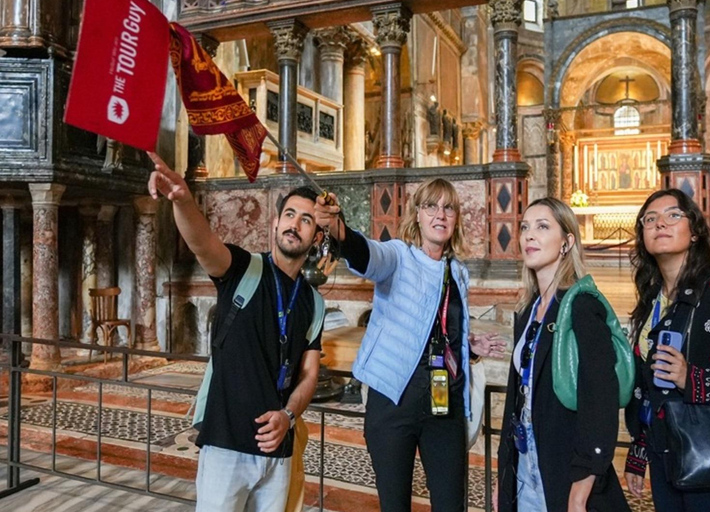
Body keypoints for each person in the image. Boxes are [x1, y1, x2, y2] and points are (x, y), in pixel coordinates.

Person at [147, 152, 324, 512]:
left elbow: (308, 375)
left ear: (317, 236)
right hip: (227, 445)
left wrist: (287, 417)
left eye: (306, 220)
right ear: (274, 223)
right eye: (289, 215)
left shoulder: (314, 303)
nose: (295, 224)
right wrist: (182, 201)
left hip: (279, 449)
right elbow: (203, 244)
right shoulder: (244, 268)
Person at [314, 178, 505, 512]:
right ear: (417, 214)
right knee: (395, 504)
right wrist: (339, 231)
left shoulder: (457, 272)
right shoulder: (398, 257)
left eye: (448, 207)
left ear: (456, 217)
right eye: (431, 206)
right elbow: (368, 255)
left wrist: (469, 348)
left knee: (451, 503)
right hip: (393, 398)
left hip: (443, 399)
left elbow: (440, 329)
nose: (440, 214)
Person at [623, 189, 710, 512]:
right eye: (650, 219)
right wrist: (639, 451)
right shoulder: (651, 303)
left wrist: (693, 378)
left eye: (673, 215)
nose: (660, 223)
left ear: (695, 233)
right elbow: (649, 386)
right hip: (667, 455)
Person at [496, 197, 630, 512]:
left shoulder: (582, 305)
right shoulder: (529, 309)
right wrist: (505, 479)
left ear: (567, 242)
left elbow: (600, 401)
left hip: (565, 470)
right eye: (525, 227)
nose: (529, 235)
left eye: (543, 227)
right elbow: (518, 399)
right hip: (526, 464)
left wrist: (580, 491)